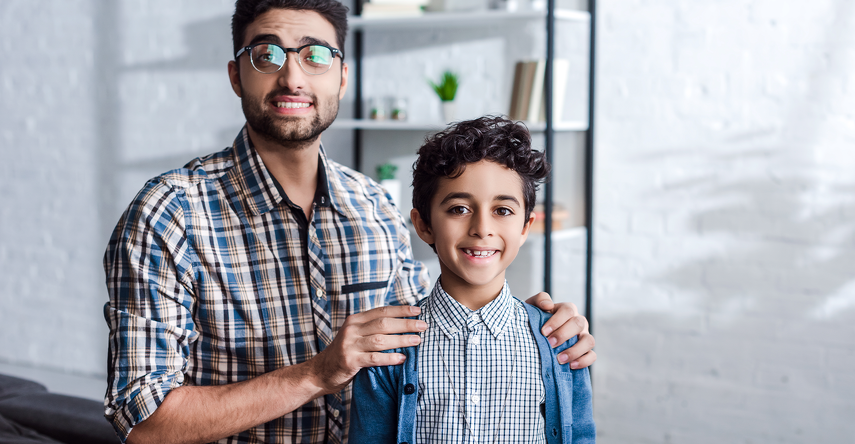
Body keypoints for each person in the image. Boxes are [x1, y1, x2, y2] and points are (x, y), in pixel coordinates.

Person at [102, 1, 596, 443]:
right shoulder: (170, 213)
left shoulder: (374, 204)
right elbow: (144, 423)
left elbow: (427, 326)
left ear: (341, 76)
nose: (293, 78)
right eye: (268, 55)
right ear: (236, 75)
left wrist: (523, 323)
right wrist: (317, 373)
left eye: (314, 55)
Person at [349, 116, 595, 443]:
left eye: (503, 211)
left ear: (524, 226)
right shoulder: (387, 349)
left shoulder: (560, 341)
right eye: (459, 209)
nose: (482, 228)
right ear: (423, 225)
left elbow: (579, 435)